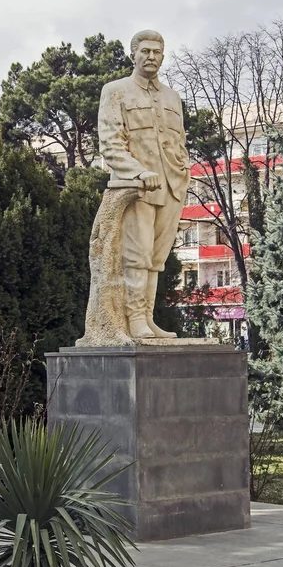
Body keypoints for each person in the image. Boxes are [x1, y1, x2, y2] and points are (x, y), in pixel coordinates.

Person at [98, 29, 191, 339]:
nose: (151, 56)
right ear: (133, 55)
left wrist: (183, 170)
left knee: (155, 259)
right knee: (136, 256)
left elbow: (178, 142)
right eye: (145, 51)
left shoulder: (172, 97)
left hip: (172, 186)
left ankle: (147, 319)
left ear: (162, 57)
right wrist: (137, 172)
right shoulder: (116, 91)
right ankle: (134, 318)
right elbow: (111, 143)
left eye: (157, 52)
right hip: (136, 188)